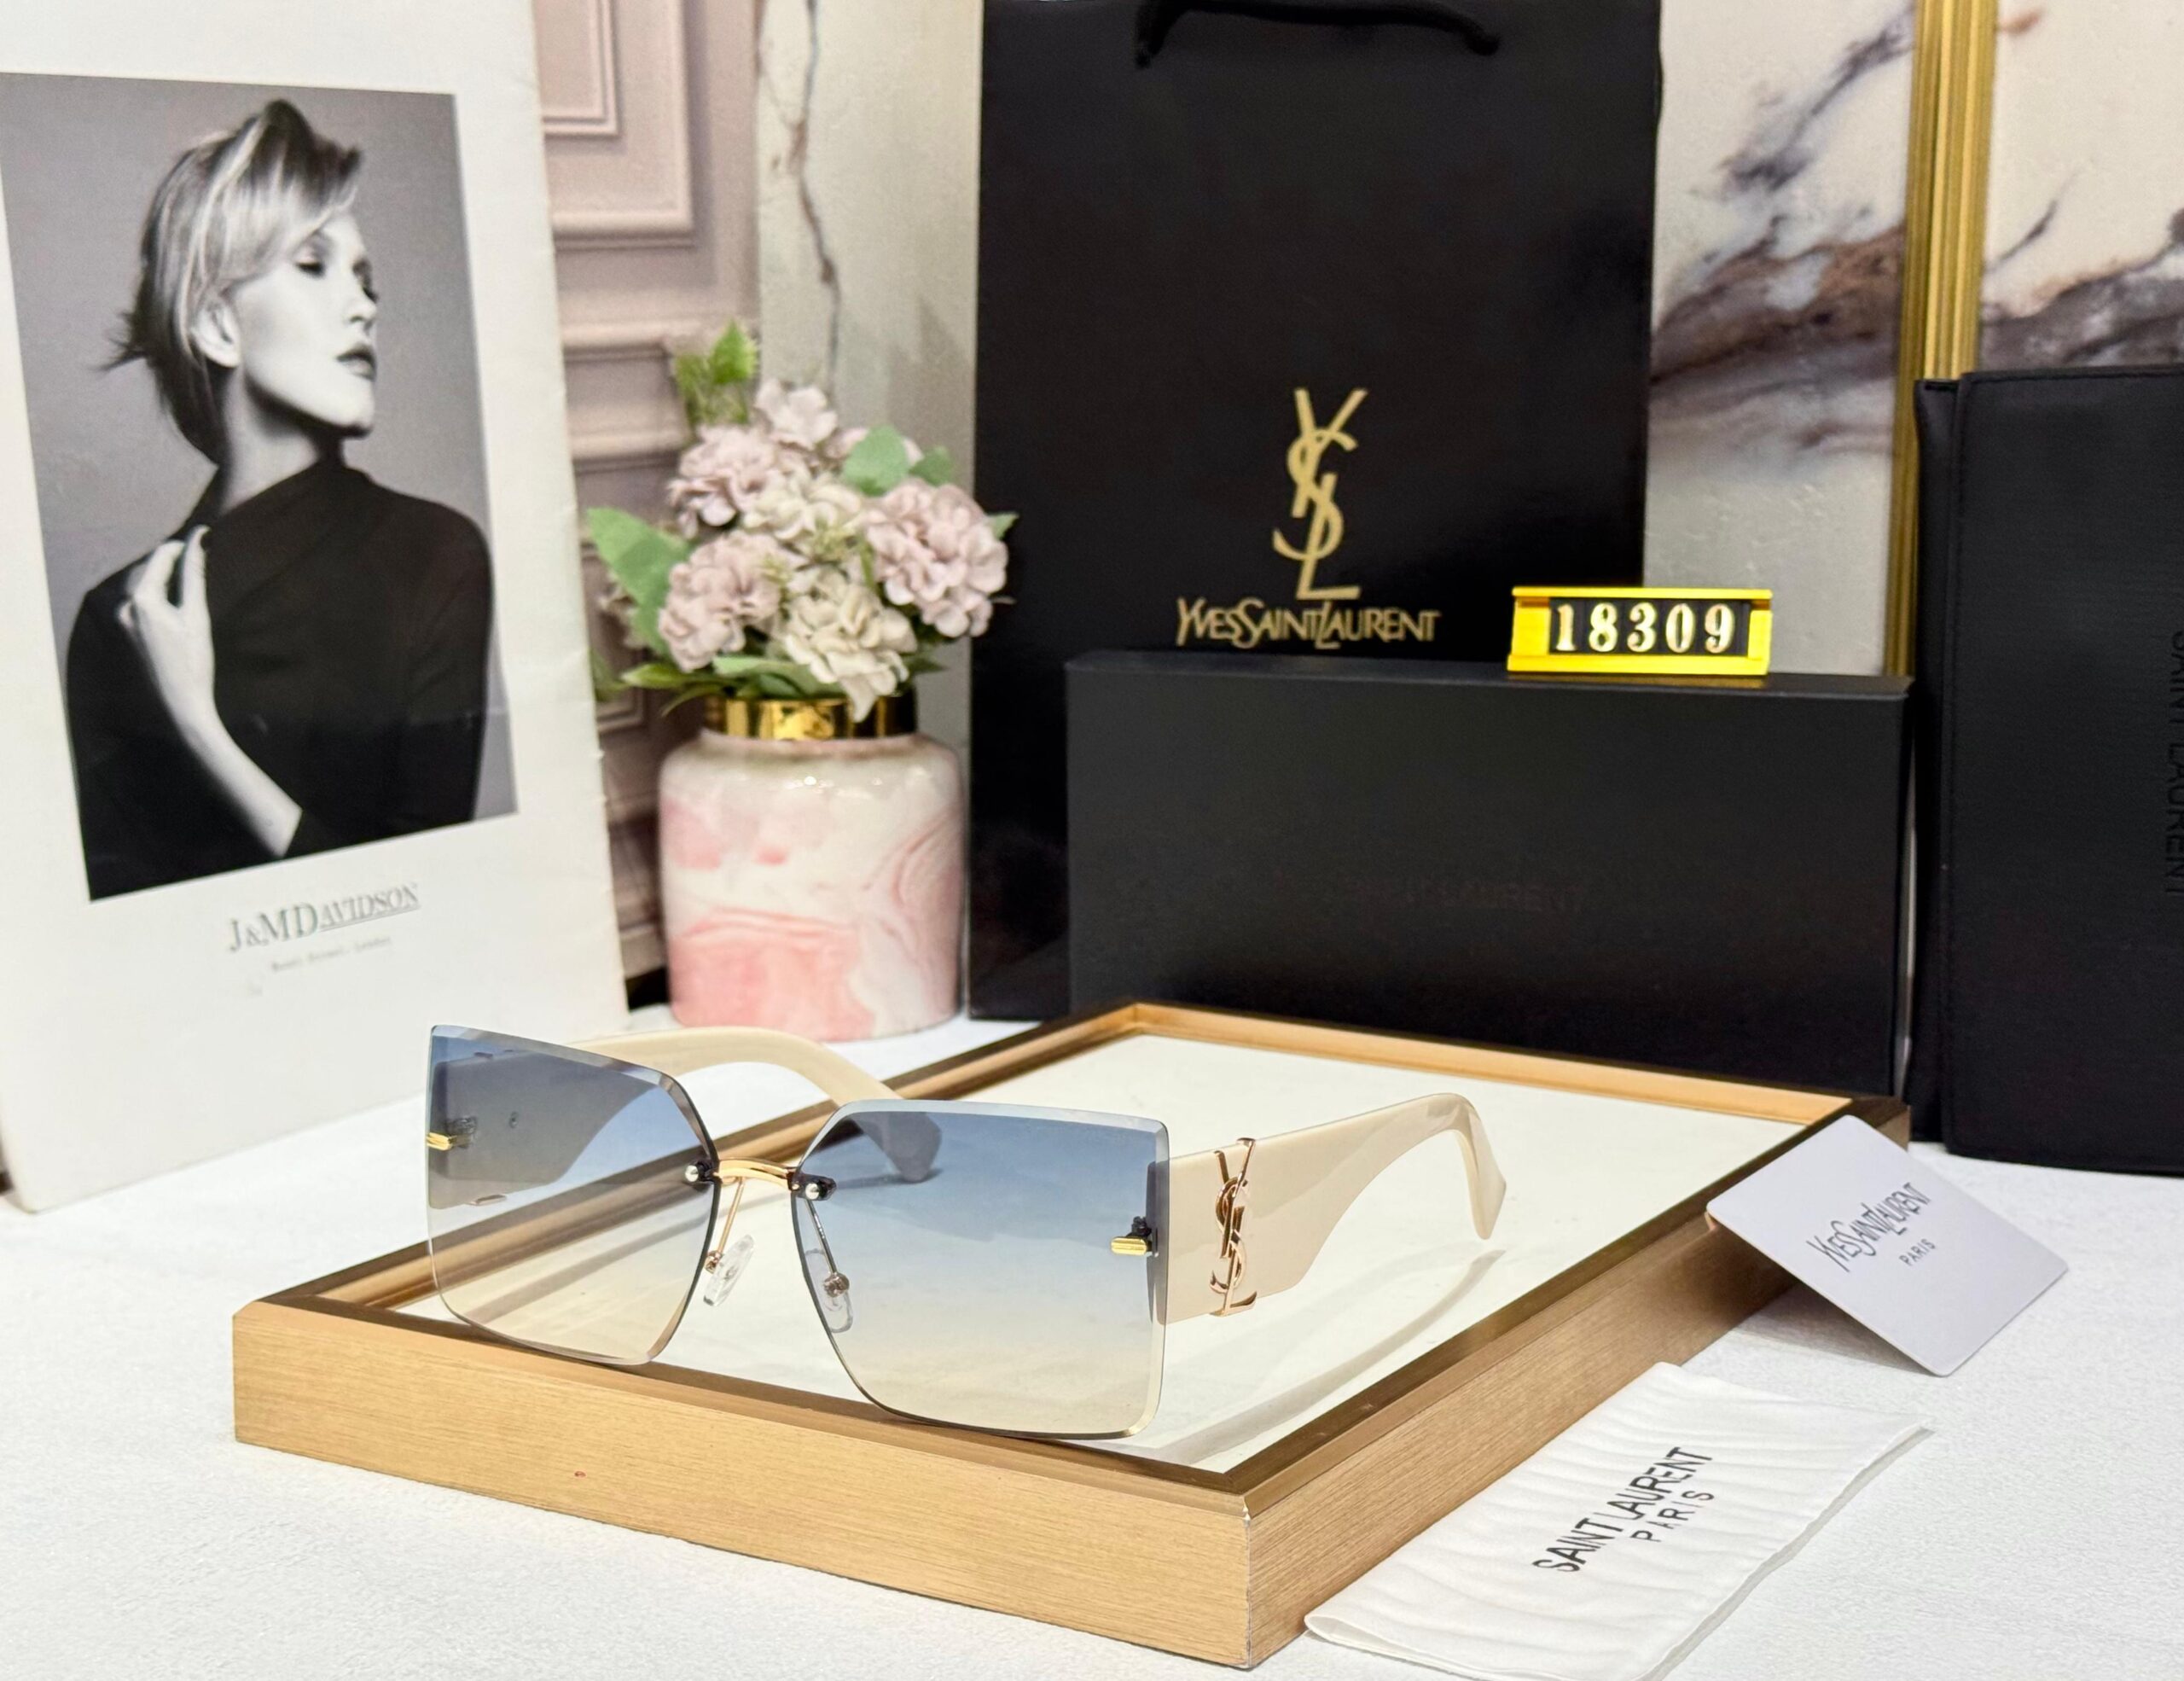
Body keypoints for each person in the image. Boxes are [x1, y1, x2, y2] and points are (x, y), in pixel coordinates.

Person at [65, 99, 493, 900]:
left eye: (365, 279)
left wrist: (199, 728)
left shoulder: (437, 555)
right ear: (217, 326)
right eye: (312, 265)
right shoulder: (118, 621)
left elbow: (428, 901)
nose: (363, 305)